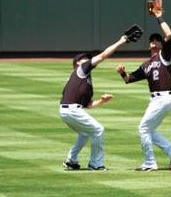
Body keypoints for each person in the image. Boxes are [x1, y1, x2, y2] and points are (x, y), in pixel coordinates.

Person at [60, 25, 142, 171]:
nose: (88, 60)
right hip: (71, 111)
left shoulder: (84, 80)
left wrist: (102, 101)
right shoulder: (81, 69)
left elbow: (88, 105)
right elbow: (104, 55)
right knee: (98, 130)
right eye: (84, 59)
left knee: (85, 133)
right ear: (78, 63)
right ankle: (95, 164)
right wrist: (122, 40)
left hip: (67, 111)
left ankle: (71, 160)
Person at [116, 0, 171, 171]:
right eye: (151, 40)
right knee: (149, 130)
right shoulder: (146, 64)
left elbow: (169, 34)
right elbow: (128, 80)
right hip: (156, 101)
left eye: (157, 40)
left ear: (161, 45)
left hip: (164, 98)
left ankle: (149, 162)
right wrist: (122, 72)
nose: (154, 42)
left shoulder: (164, 57)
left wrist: (159, 17)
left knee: (143, 128)